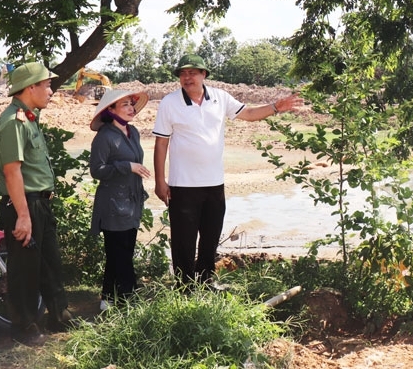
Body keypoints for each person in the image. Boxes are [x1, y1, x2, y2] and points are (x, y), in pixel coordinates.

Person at [152, 54, 303, 285]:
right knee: (184, 241)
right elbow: (161, 142)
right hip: (182, 185)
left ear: (204, 74)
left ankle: (205, 283)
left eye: (192, 72)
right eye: (183, 73)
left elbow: (249, 114)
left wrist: (276, 107)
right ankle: (184, 289)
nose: (187, 77)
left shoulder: (220, 98)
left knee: (210, 238)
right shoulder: (169, 102)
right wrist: (160, 182)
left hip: (214, 184)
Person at [0, 62, 71, 346]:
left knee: (50, 262)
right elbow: (13, 172)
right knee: (24, 269)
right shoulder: (13, 122)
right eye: (47, 85)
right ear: (31, 88)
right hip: (24, 205)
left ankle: (58, 316)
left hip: (40, 204)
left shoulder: (29, 118)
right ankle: (23, 325)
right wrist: (23, 217)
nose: (51, 91)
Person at [89, 89, 151, 311]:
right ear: (110, 110)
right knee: (120, 253)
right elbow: (96, 170)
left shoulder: (133, 132)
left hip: (132, 201)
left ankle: (108, 296)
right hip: (113, 204)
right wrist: (127, 167)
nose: (130, 108)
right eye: (124, 104)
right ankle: (128, 300)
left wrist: (133, 168)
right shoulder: (104, 137)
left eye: (131, 104)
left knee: (123, 251)